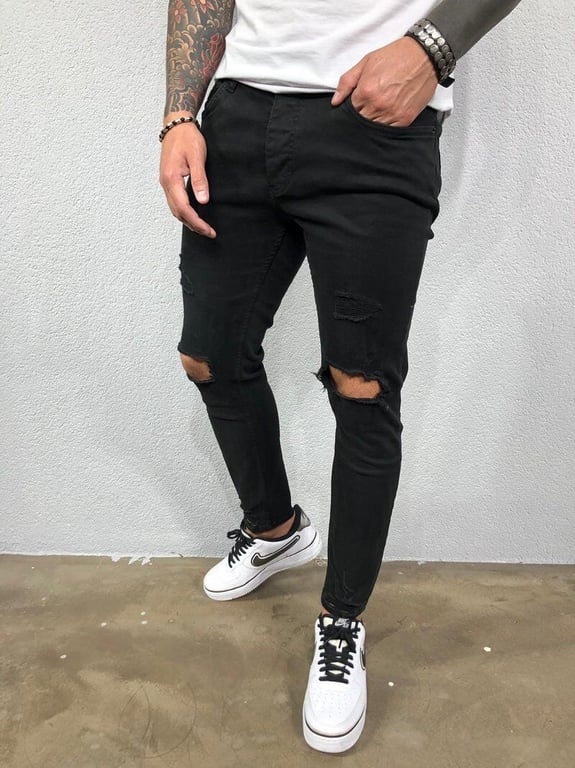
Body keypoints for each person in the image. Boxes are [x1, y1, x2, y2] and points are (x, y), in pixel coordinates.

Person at [159, 0, 522, 753]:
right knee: (209, 356)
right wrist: (178, 115)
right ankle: (275, 530)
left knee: (362, 385)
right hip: (236, 117)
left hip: (375, 124)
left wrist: (430, 48)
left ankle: (340, 621)